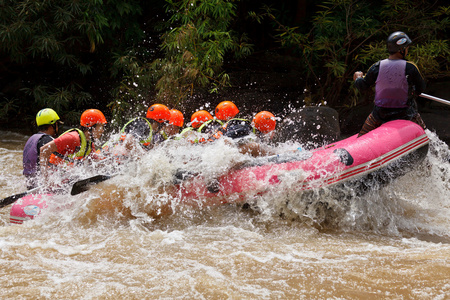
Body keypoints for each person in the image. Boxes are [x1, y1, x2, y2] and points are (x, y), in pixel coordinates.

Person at [353, 31, 426, 137]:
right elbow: (421, 89)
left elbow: (362, 85)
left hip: (380, 115)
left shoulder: (376, 67)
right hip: (406, 114)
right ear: (401, 50)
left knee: (362, 136)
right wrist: (412, 89)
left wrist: (358, 77)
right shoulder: (411, 67)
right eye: (406, 48)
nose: (407, 50)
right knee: (426, 134)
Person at [39, 109, 107, 185]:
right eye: (101, 127)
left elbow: (98, 164)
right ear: (91, 127)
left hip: (65, 178)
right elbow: (44, 150)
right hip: (53, 177)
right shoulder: (72, 138)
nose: (103, 131)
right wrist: (46, 179)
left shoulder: (90, 144)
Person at [22, 108, 63, 189]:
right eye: (57, 124)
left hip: (30, 182)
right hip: (40, 184)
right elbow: (61, 160)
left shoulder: (32, 138)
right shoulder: (47, 140)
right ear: (53, 125)